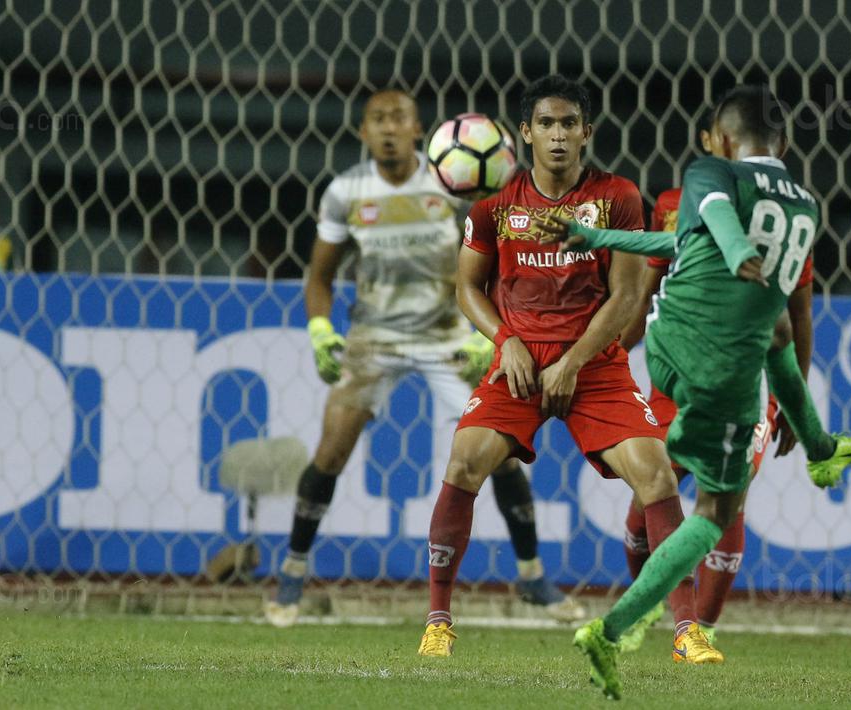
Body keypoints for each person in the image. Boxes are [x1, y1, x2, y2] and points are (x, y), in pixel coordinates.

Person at [561, 85, 851, 700]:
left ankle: (692, 626)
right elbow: (722, 228)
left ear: (723, 140)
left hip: (672, 351)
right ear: (783, 144)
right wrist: (739, 254)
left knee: (773, 337)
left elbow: (692, 241)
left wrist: (602, 240)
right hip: (719, 369)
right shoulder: (805, 208)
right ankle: (623, 626)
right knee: (715, 509)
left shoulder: (711, 174)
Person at [417, 76, 714, 663]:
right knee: (464, 460)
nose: (558, 135)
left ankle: (688, 631)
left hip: (595, 367)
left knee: (656, 475)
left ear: (587, 133)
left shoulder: (617, 197)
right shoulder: (494, 205)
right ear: (525, 133)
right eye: (546, 124)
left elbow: (627, 297)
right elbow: (467, 287)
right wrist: (505, 340)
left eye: (569, 124)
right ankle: (437, 620)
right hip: (521, 364)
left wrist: (575, 361)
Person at [264, 89, 581, 628]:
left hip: (451, 336)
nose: (389, 128)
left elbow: (497, 261)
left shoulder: (453, 183)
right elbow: (319, 277)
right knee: (332, 449)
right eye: (377, 120)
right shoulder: (346, 191)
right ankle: (292, 574)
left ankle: (531, 575)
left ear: (419, 130)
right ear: (363, 133)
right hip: (374, 337)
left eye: (399, 119)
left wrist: (493, 333)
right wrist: (321, 328)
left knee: (500, 452)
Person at [610, 113, 819, 654]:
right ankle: (649, 602)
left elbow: (799, 313)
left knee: (727, 500)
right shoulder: (674, 203)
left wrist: (794, 404)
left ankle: (696, 632)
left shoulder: (786, 212)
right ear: (711, 143)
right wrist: (612, 356)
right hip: (678, 373)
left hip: (747, 378)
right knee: (646, 506)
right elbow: (647, 291)